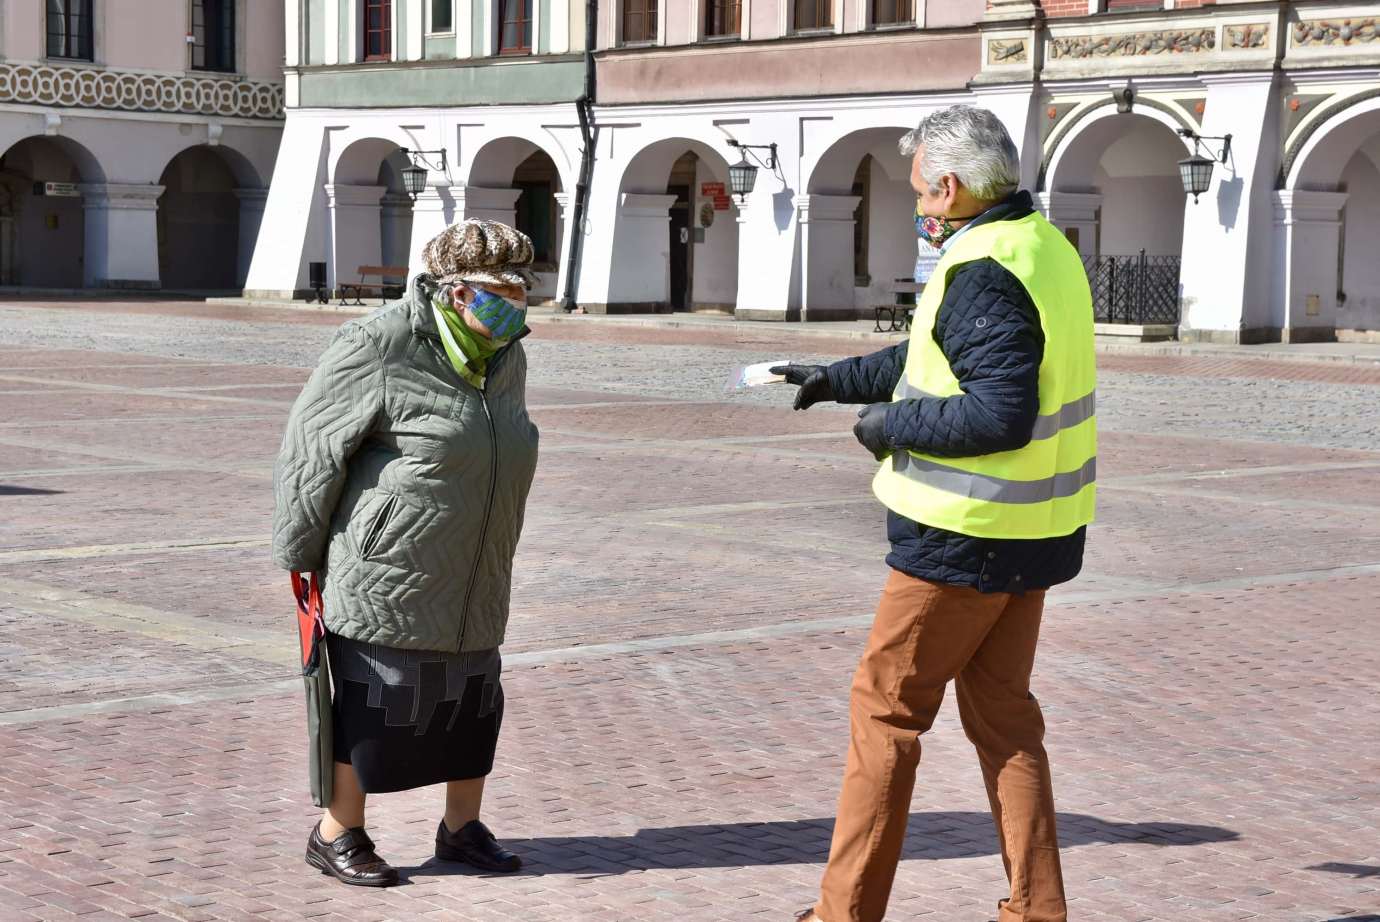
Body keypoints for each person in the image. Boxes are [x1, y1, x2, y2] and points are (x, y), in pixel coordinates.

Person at [776, 105, 1096, 922]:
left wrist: (887, 428)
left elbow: (996, 414)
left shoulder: (981, 265)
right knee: (1006, 722)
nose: (918, 206)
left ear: (949, 187)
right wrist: (835, 379)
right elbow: (932, 351)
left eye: (921, 192)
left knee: (885, 715)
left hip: (962, 539)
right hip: (1034, 534)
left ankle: (844, 913)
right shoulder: (1041, 246)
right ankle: (1038, 908)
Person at [272, 219, 541, 887]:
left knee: (473, 703)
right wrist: (299, 551)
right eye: (500, 289)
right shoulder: (380, 342)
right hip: (387, 564)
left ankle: (461, 829)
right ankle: (338, 830)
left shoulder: (506, 354)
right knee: (377, 705)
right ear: (454, 291)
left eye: (523, 288)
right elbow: (313, 451)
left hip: (476, 560)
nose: (516, 301)